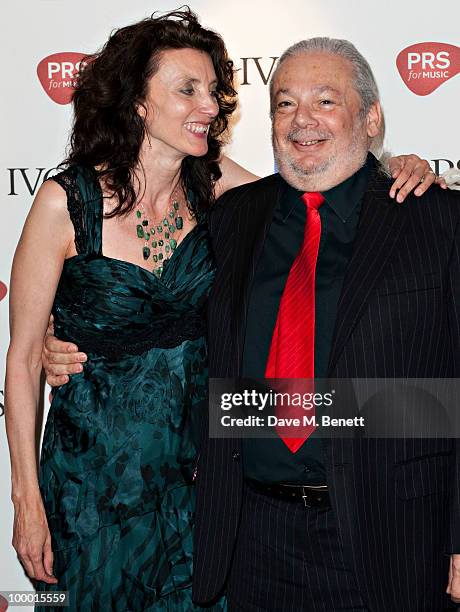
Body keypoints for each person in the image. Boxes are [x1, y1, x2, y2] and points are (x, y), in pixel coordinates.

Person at [38, 20, 443, 612]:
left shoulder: (426, 217)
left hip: (346, 520)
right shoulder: (233, 216)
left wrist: (399, 167)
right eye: (285, 104)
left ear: (371, 118)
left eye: (325, 102)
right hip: (197, 511)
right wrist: (72, 330)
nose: (302, 120)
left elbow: (441, 394)